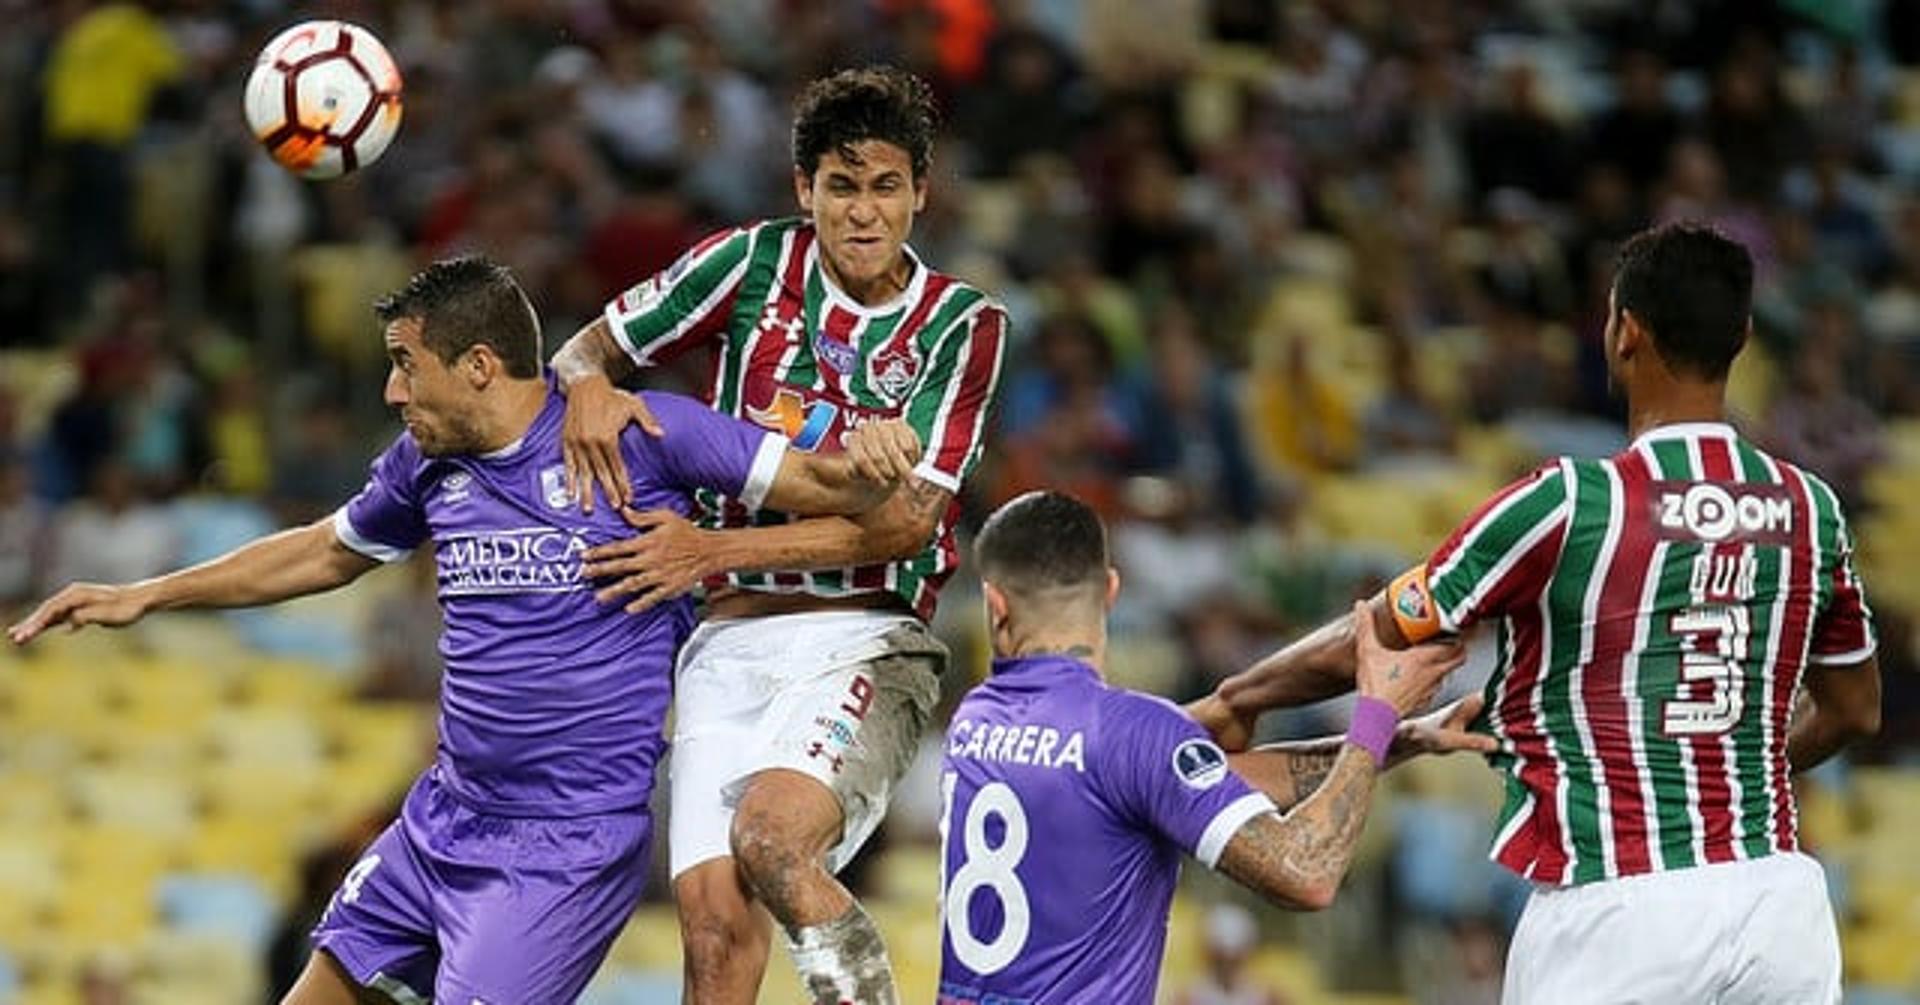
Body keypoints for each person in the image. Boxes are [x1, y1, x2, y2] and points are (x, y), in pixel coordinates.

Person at [8, 257, 919, 1005]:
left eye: (407, 363)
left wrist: (878, 454)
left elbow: (852, 501)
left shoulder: (645, 438)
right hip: (441, 820)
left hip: (562, 848)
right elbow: (324, 551)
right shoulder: (426, 466)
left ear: (479, 365)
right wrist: (148, 594)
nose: (392, 388)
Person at [1190, 223, 1883, 1004]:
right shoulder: (1812, 508)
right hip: (1780, 907)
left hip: (1618, 905)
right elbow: (1856, 710)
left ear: (1624, 331)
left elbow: (1385, 631)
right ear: (1744, 337)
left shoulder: (1571, 502)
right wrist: (1713, 783)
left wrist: (1237, 697)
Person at [551, 65, 1007, 1003]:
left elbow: (905, 526)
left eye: (886, 186)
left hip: (865, 640)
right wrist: (592, 388)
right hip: (724, 644)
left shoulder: (964, 325)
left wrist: (709, 548)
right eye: (841, 187)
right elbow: (583, 349)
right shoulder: (750, 265)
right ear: (806, 190)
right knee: (715, 944)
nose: (864, 212)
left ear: (922, 190)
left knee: (772, 839)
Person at [937, 490, 1485, 1003]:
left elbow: (1207, 745)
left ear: (994, 604)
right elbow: (1307, 874)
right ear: (1110, 589)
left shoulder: (974, 720)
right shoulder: (1132, 736)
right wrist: (1378, 710)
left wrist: (1407, 737)